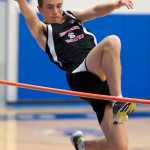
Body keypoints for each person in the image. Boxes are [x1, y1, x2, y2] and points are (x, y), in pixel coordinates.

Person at [15, 0, 136, 150]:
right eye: (50, 7)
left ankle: (82, 145)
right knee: (112, 42)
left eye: (59, 6)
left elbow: (95, 10)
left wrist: (116, 4)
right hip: (81, 75)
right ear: (39, 9)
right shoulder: (43, 30)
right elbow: (29, 16)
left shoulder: (72, 17)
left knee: (119, 147)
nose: (56, 11)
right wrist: (20, 1)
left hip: (102, 84)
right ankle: (118, 99)